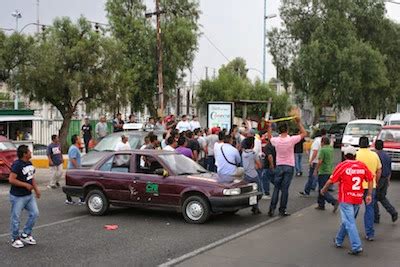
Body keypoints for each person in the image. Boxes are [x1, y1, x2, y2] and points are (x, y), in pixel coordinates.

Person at [321, 146, 373, 255]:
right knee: (348, 221)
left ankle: (356, 246)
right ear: (355, 156)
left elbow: (331, 180)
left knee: (349, 222)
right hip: (357, 197)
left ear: (345, 155)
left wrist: (323, 190)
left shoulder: (342, 166)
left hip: (346, 199)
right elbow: (370, 179)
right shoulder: (361, 165)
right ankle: (339, 240)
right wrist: (368, 194)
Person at [267, 117, 307, 217]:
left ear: (279, 131)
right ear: (287, 130)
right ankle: (282, 210)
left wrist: (269, 126)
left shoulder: (276, 140)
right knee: (285, 189)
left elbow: (269, 137)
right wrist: (298, 123)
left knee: (276, 188)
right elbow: (304, 134)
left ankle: (271, 209)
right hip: (289, 166)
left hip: (279, 165)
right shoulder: (291, 139)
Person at [8, 145, 40, 248]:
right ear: (25, 154)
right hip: (18, 196)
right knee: (16, 217)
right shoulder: (17, 165)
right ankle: (15, 238)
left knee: (35, 213)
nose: (31, 153)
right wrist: (25, 185)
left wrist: (36, 189)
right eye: (29, 151)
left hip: (29, 196)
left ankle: (25, 234)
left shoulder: (29, 164)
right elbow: (11, 179)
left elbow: (31, 178)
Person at [356, 136, 381, 241]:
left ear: (359, 144)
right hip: (371, 186)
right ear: (369, 144)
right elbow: (379, 170)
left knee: (353, 209)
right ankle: (369, 234)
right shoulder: (374, 155)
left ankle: (348, 229)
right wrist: (376, 181)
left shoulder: (356, 154)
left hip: (357, 187)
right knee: (369, 209)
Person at [374, 140, 398, 223]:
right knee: (382, 197)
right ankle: (392, 212)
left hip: (379, 178)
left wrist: (376, 182)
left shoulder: (376, 156)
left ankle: (376, 217)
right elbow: (389, 169)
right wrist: (388, 180)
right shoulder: (387, 156)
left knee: (374, 198)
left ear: (375, 146)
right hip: (385, 178)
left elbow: (378, 170)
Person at [314, 136, 338, 211]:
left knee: (322, 189)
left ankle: (333, 201)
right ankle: (321, 204)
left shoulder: (323, 150)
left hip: (323, 171)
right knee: (324, 188)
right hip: (330, 170)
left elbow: (320, 161)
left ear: (323, 142)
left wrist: (316, 170)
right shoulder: (331, 149)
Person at [299, 130, 324, 196]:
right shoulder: (323, 140)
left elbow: (315, 151)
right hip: (320, 160)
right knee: (319, 176)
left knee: (311, 176)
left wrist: (311, 160)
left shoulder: (316, 141)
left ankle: (307, 191)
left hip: (315, 161)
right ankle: (320, 189)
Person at [242, 137, 262, 215]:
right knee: (258, 192)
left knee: (248, 192)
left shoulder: (243, 153)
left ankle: (252, 205)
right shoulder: (253, 154)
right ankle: (255, 207)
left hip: (246, 175)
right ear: (252, 145)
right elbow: (259, 165)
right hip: (254, 175)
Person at [66, 135, 84, 205]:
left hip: (73, 169)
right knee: (79, 184)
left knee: (72, 184)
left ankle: (69, 199)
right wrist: (77, 168)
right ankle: (81, 199)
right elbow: (73, 159)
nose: (80, 139)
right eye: (79, 138)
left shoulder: (75, 148)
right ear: (76, 140)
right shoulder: (74, 148)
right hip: (73, 169)